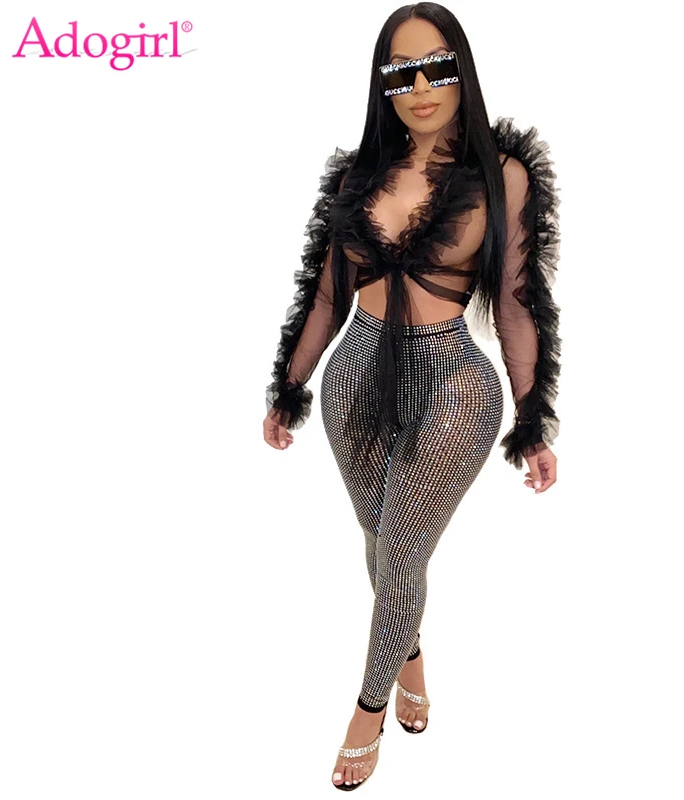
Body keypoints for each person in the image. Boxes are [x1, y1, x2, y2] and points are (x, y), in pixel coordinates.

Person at [263, 2, 562, 790]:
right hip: (354, 374)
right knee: (377, 537)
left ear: (461, 70)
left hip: (454, 385)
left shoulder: (502, 175)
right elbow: (326, 297)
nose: (421, 88)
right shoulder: (359, 175)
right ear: (383, 85)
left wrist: (533, 421)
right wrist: (288, 387)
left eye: (436, 68)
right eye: (402, 73)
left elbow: (518, 304)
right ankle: (412, 656)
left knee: (402, 551)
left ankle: (367, 711)